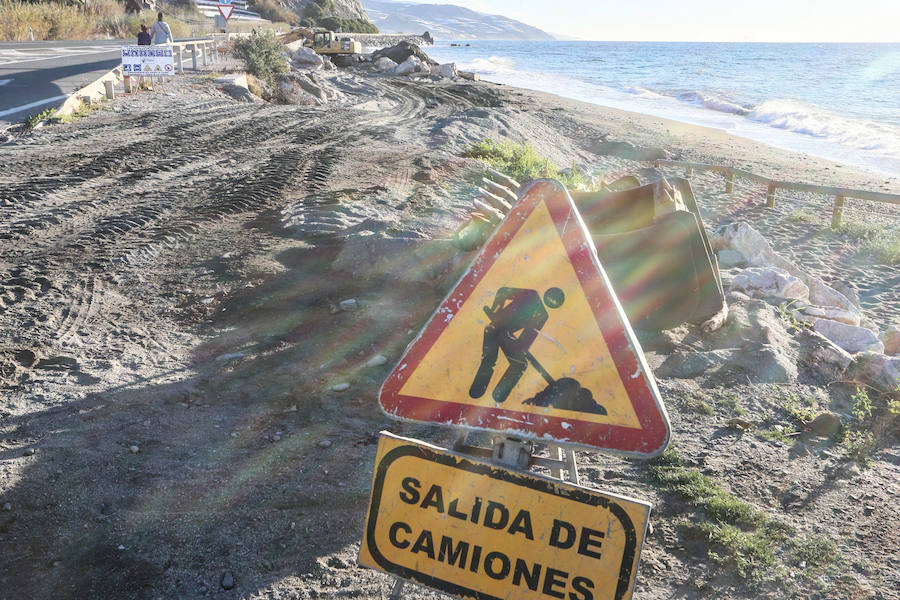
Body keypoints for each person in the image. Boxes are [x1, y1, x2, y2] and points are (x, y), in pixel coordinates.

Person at [469, 287, 565, 403]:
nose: (552, 302)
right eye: (552, 299)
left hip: (503, 334)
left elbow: (527, 338)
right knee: (492, 359)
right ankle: (479, 388)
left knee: (519, 363)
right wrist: (496, 312)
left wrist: (519, 346)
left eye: (555, 302)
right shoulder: (531, 295)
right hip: (493, 330)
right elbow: (502, 291)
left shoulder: (542, 315)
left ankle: (498, 395)